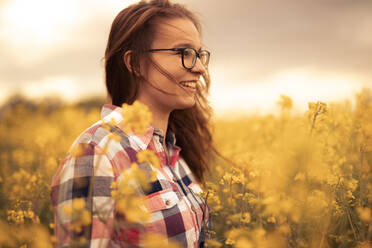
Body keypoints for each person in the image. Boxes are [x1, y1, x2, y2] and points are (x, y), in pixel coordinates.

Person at [50, 0, 221, 247]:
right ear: (134, 63)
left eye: (199, 54)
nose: (200, 68)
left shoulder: (172, 152)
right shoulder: (97, 153)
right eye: (183, 53)